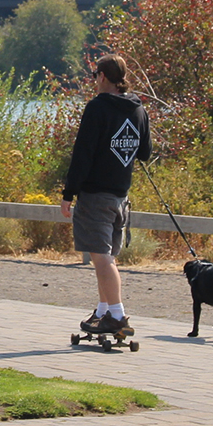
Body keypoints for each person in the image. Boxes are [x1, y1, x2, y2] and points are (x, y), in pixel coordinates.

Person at [61, 53, 150, 336]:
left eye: (94, 76)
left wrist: (68, 193)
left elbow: (83, 154)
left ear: (101, 77)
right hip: (121, 196)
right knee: (107, 255)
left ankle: (117, 315)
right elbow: (145, 152)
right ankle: (102, 310)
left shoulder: (97, 108)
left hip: (96, 194)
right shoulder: (138, 109)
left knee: (101, 258)